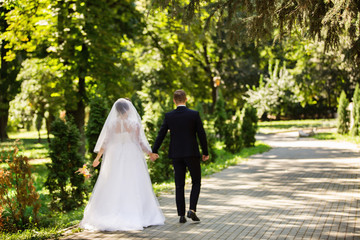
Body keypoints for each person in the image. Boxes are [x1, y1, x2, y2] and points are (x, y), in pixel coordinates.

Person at [79, 98, 165, 231]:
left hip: (115, 155)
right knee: (133, 182)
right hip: (132, 154)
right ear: (129, 109)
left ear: (117, 110)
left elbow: (105, 142)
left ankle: (110, 211)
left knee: (113, 181)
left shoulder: (111, 124)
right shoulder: (134, 123)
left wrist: (98, 158)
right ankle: (136, 213)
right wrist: (150, 153)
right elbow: (140, 142)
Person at [152, 90, 209, 223]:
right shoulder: (194, 114)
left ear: (174, 101)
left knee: (179, 185)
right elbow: (201, 134)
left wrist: (154, 150)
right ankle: (192, 210)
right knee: (196, 182)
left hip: (176, 154)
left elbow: (161, 134)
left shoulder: (169, 116)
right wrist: (205, 152)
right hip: (191, 153)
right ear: (186, 99)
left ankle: (181, 215)